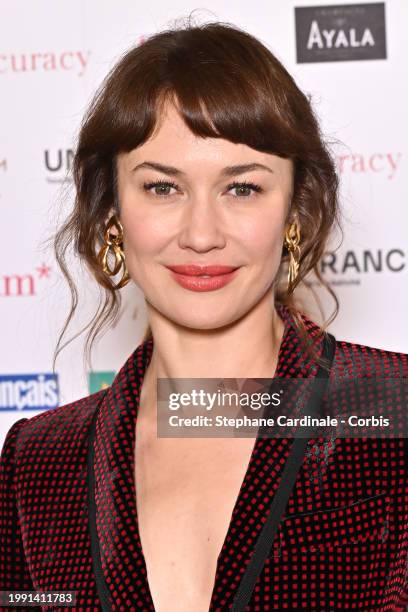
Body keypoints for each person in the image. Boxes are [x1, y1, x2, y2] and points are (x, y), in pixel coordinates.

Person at [0, 18, 407, 612]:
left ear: (296, 210)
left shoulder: (394, 414)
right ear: (112, 213)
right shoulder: (39, 463)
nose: (201, 234)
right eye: (163, 188)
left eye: (241, 188)